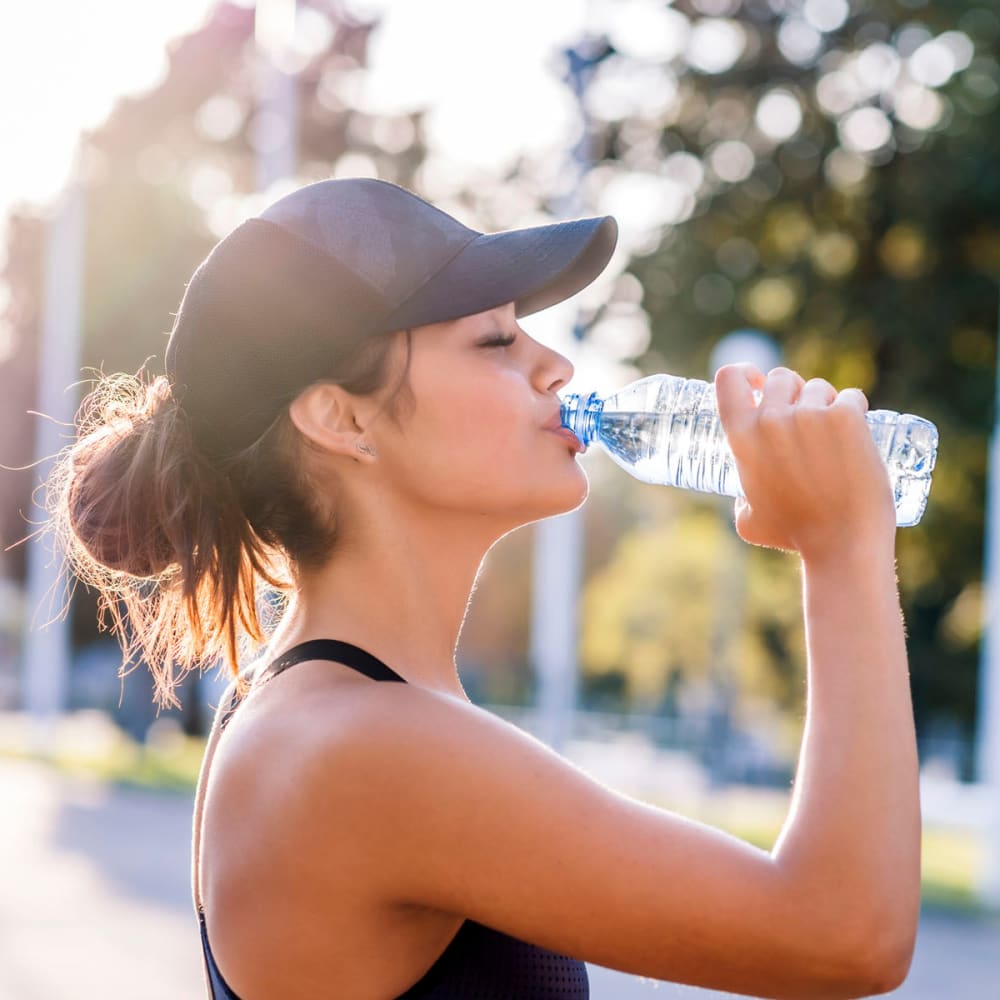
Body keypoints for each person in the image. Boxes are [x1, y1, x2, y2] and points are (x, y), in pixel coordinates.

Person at [45, 177, 920, 999]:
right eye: (497, 340)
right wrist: (842, 549)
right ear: (341, 417)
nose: (556, 368)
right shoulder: (360, 748)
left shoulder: (331, 713)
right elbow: (842, 933)